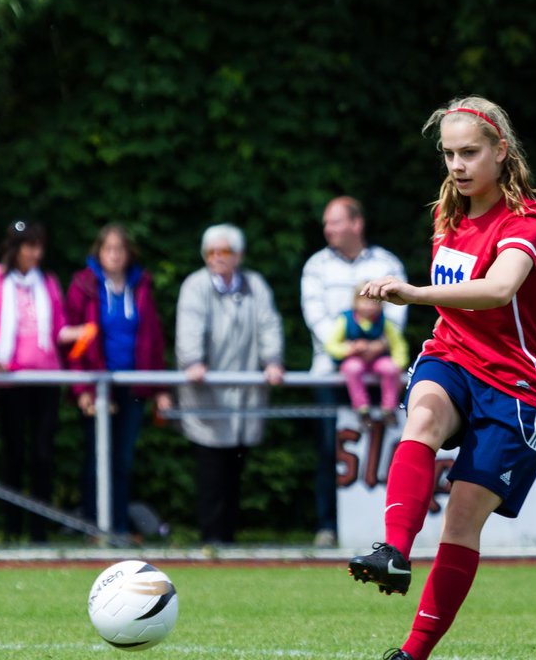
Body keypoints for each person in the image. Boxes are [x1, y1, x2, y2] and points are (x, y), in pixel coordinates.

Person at [349, 95, 536, 660]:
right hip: (451, 356)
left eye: (469, 153)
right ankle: (392, 549)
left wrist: (412, 294)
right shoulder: (447, 213)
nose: (457, 166)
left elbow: (497, 291)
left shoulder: (529, 223)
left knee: (461, 524)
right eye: (448, 154)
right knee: (421, 419)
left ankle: (411, 657)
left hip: (514, 385)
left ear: (501, 152)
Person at [301, 196, 407, 546]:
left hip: (378, 373)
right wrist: (347, 346)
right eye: (327, 223)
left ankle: (382, 529)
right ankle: (327, 526)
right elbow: (315, 315)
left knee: (385, 448)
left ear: (356, 224)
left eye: (335, 222)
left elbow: (396, 312)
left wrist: (375, 346)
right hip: (331, 372)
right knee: (330, 450)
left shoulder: (387, 262)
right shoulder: (316, 265)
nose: (327, 229)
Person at [175, 223, 284, 545]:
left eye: (223, 252)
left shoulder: (255, 285)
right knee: (210, 473)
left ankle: (229, 540)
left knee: (235, 473)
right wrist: (193, 361)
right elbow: (188, 330)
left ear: (237, 255)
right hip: (207, 399)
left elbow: (269, 324)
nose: (217, 258)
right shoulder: (194, 286)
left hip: (244, 401)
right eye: (211, 252)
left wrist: (273, 361)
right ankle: (212, 540)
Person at [0, 219, 78, 542]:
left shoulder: (48, 282)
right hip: (10, 382)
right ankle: (11, 528)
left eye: (39, 246)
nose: (36, 253)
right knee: (14, 454)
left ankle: (39, 530)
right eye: (30, 246)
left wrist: (86, 332)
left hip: (45, 379)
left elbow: (59, 328)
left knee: (43, 455)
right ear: (14, 248)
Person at [66, 223, 173, 537]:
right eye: (108, 249)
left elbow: (153, 341)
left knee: (123, 460)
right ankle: (94, 526)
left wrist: (161, 388)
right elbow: (73, 346)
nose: (114, 255)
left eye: (120, 249)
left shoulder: (141, 287)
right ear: (99, 252)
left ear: (128, 254)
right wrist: (82, 390)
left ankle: (120, 528)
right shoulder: (83, 285)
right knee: (97, 458)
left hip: (134, 386)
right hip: (97, 384)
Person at [325, 287, 409, 425]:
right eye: (364, 302)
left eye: (374, 303)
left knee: (390, 368)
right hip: (354, 359)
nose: (369, 307)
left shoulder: (384, 321)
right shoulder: (346, 319)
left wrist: (399, 364)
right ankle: (362, 409)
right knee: (353, 368)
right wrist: (350, 349)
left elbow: (398, 344)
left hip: (377, 361)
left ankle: (389, 408)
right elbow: (331, 345)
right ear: (355, 303)